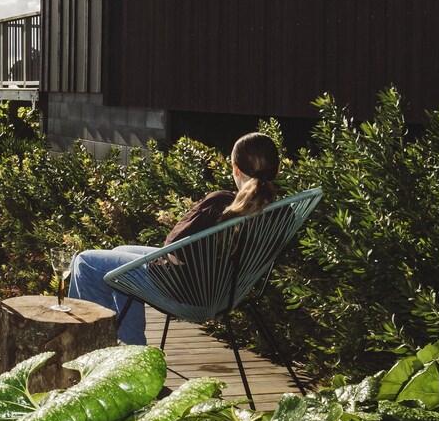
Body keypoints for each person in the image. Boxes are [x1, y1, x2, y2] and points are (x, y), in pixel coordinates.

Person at [67, 132, 282, 345]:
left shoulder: (221, 204)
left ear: (235, 168)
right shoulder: (280, 213)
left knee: (85, 262)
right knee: (117, 253)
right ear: (276, 171)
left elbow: (172, 248)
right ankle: (132, 350)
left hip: (181, 291)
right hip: (221, 295)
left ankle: (89, 348)